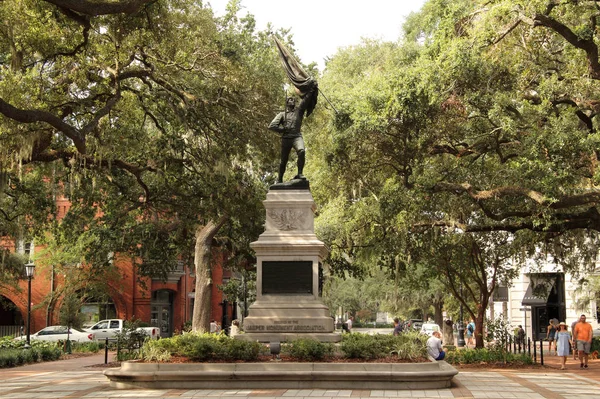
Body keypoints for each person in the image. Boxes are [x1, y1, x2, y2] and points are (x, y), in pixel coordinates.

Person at [268, 85, 317, 184]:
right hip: (286, 138)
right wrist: (282, 129)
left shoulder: (299, 111)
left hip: (296, 136)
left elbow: (306, 100)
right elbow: (272, 126)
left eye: (294, 100)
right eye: (290, 100)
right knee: (283, 160)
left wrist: (312, 89)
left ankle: (299, 173)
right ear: (287, 103)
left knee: (302, 151)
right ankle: (280, 179)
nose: (292, 101)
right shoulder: (282, 114)